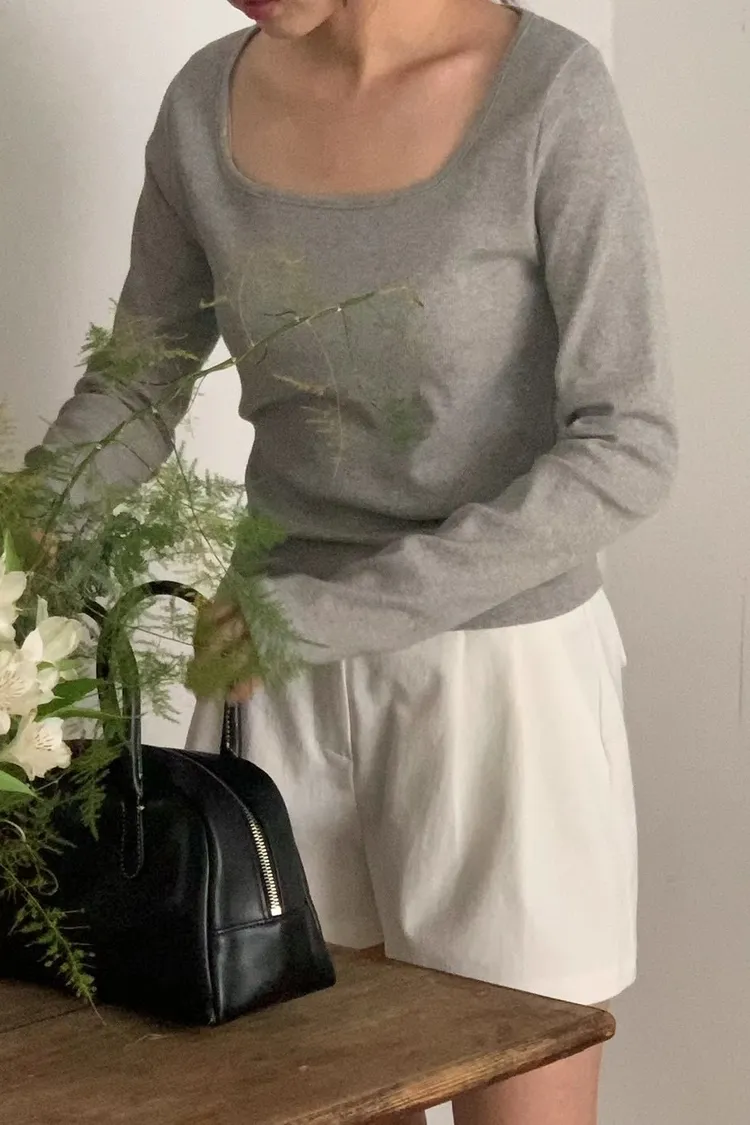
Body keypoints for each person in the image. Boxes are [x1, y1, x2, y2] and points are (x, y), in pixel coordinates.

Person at [28, 2, 677, 1122]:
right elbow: (138, 383)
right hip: (270, 693)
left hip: (499, 688)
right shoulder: (203, 104)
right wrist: (22, 533)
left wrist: (330, 615)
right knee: (303, 1090)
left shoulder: (547, 95)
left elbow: (629, 445)